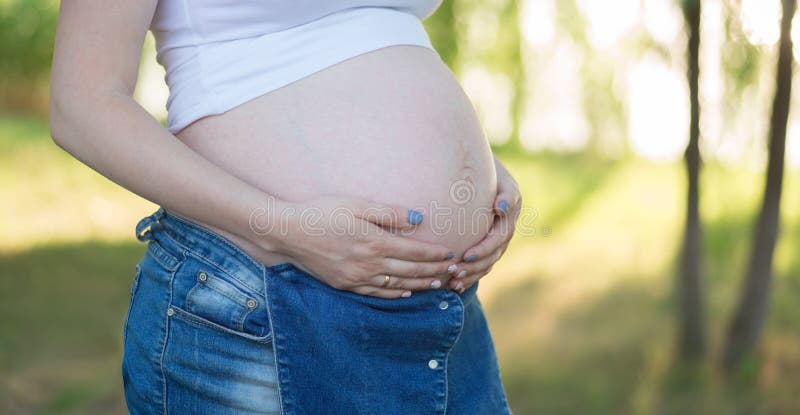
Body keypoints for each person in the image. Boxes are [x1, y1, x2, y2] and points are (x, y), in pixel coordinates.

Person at [49, 0, 522, 414]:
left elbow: (370, 43)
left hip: (442, 315)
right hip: (260, 299)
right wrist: (283, 228)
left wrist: (474, 174)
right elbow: (83, 106)